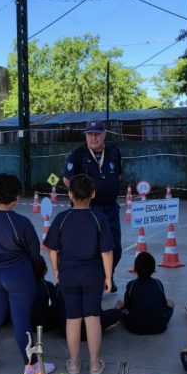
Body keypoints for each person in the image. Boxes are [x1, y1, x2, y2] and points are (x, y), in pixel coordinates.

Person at [0, 173, 56, 374]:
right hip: (17, 275)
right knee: (21, 320)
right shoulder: (21, 222)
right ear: (15, 196)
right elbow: (34, 253)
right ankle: (30, 365)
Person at [44, 174, 114, 374]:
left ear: (70, 194)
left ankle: (74, 364)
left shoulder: (61, 218)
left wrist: (56, 269)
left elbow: (52, 249)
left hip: (69, 275)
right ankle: (94, 364)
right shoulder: (99, 218)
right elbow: (106, 251)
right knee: (93, 319)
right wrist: (108, 277)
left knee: (72, 318)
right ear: (93, 194)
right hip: (93, 275)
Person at [63, 120, 123, 292]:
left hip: (110, 209)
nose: (94, 138)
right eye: (90, 134)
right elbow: (67, 180)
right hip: (88, 210)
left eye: (97, 134)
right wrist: (82, 199)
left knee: (115, 247)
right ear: (86, 136)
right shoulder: (78, 154)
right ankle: (96, 281)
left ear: (104, 134)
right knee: (91, 248)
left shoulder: (113, 152)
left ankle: (107, 277)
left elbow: (117, 176)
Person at [117, 253, 174, 335]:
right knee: (170, 302)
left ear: (135, 269)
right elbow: (163, 304)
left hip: (135, 327)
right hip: (159, 326)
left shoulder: (132, 284)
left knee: (118, 304)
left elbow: (127, 306)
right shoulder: (158, 283)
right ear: (153, 269)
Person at [31, 256, 59, 331]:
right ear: (45, 270)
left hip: (28, 324)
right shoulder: (48, 286)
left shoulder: (23, 286)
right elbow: (55, 305)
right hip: (46, 324)